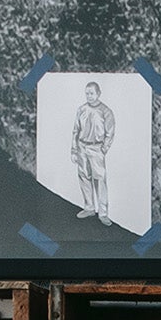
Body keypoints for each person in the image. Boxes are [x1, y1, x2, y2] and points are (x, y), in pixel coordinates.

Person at [72, 81, 116, 224]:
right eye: (87, 93)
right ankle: (89, 208)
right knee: (84, 177)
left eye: (91, 93)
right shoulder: (81, 109)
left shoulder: (106, 111)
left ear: (98, 93)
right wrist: (74, 150)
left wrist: (104, 148)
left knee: (100, 181)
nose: (89, 96)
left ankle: (103, 214)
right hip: (82, 147)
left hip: (96, 149)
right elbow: (75, 130)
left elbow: (110, 133)